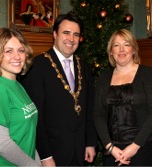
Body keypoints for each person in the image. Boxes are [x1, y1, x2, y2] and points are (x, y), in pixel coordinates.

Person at [21, 10, 97, 166]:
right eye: (66, 33)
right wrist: (45, 156)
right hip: (52, 154)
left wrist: (90, 142)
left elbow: (89, 109)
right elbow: (36, 117)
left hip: (80, 150)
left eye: (76, 35)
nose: (71, 39)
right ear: (55, 34)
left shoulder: (85, 67)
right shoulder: (37, 67)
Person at [93, 29, 152, 166]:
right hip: (112, 152)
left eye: (126, 44)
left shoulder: (147, 74)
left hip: (141, 149)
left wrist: (134, 146)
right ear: (111, 52)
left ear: (134, 49)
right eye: (116, 45)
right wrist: (110, 147)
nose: (121, 49)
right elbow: (98, 115)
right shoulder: (104, 78)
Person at [0, 28, 40, 166]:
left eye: (21, 50)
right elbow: (1, 144)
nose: (17, 56)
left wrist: (37, 160)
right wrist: (32, 165)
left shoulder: (17, 85)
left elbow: (27, 135)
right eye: (9, 51)